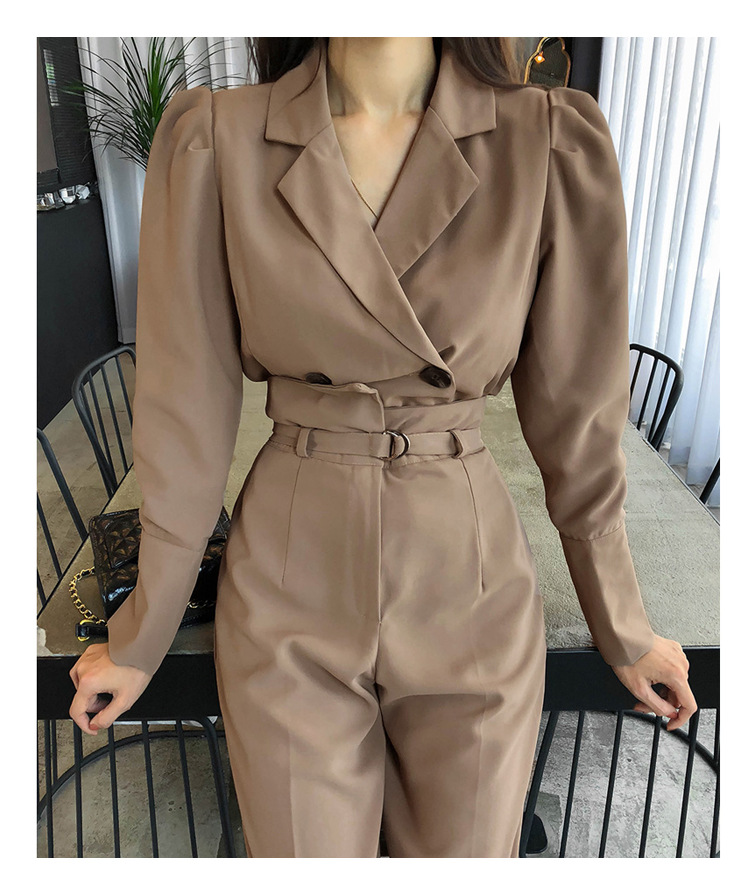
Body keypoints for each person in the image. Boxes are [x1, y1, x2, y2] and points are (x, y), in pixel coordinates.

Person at [68, 37, 696, 857]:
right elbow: (184, 406)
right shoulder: (218, 138)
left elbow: (579, 410)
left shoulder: (545, 140)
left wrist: (623, 619)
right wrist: (142, 631)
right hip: (291, 577)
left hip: (467, 577)